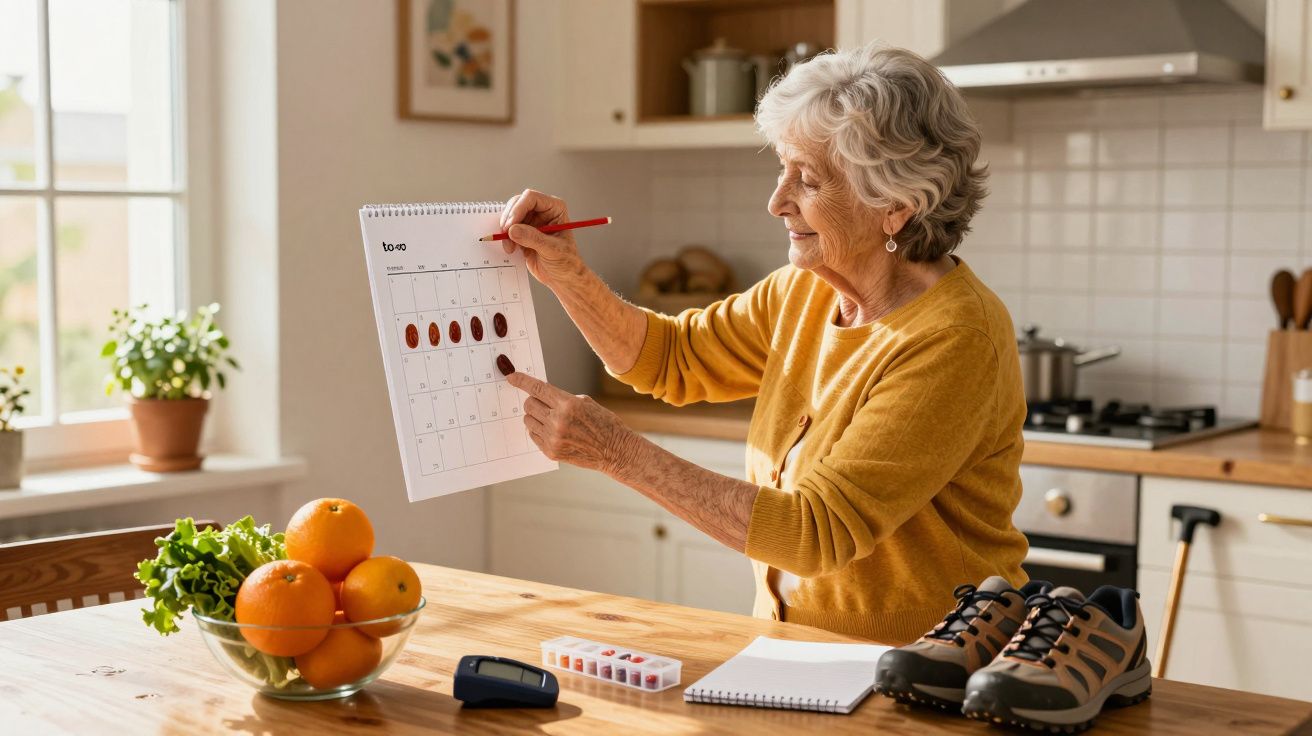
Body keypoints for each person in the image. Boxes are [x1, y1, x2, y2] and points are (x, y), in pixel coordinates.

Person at [497, 43, 1028, 645]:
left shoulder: (952, 338)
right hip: (793, 647)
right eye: (783, 170)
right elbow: (672, 359)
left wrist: (619, 453)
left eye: (808, 180)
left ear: (896, 207)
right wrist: (567, 271)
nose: (777, 201)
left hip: (927, 659)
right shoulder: (805, 290)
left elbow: (816, 533)